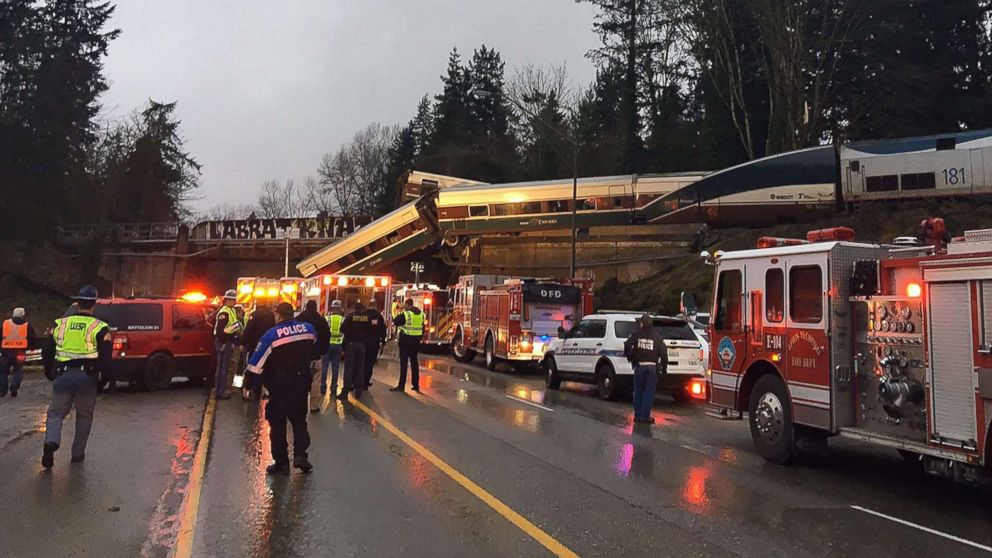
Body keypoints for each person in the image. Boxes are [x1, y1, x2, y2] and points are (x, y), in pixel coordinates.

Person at [40, 285, 112, 468]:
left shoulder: (59, 324)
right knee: (84, 416)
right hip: (87, 378)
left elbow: (46, 350)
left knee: (56, 413)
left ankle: (51, 442)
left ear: (77, 303)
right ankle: (77, 454)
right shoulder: (100, 327)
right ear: (93, 304)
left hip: (62, 375)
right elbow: (105, 356)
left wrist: (48, 371)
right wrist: (104, 379)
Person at [246, 302, 317, 475]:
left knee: (278, 426)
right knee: (299, 422)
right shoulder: (308, 329)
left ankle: (282, 463)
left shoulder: (271, 335)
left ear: (278, 315)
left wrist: (248, 384)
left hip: (279, 386)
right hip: (301, 383)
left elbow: (256, 364)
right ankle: (301, 455)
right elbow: (316, 345)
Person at [623, 314, 667, 424]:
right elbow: (663, 353)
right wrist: (664, 367)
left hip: (640, 366)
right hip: (652, 367)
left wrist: (630, 357)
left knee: (638, 391)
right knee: (649, 392)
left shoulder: (636, 335)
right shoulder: (657, 336)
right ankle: (645, 415)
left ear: (642, 323)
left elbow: (627, 345)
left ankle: (638, 415)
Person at [296, 300, 331, 412]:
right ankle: (313, 405)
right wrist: (322, 351)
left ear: (306, 307)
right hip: (316, 355)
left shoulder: (298, 320)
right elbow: (327, 336)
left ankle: (298, 405)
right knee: (316, 380)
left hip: (300, 355)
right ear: (316, 307)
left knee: (299, 379)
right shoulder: (321, 320)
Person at [240, 301, 275, 400]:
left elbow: (248, 329)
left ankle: (248, 387)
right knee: (267, 367)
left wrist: (243, 342)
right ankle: (262, 389)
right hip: (268, 346)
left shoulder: (254, 315)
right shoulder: (271, 315)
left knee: (253, 367)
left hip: (255, 345)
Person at [338, 301, 373, 400]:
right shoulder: (367, 317)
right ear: (362, 308)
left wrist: (350, 334)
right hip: (362, 345)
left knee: (349, 368)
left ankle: (345, 391)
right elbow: (371, 330)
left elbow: (342, 328)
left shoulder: (350, 317)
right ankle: (358, 391)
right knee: (360, 368)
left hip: (351, 344)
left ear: (354, 308)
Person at [1, 307, 38, 397]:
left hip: (6, 351)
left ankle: (2, 390)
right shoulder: (27, 325)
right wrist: (33, 347)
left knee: (3, 371)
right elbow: (32, 338)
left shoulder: (5, 323)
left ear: (13, 314)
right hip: (20, 351)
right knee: (18, 370)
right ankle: (15, 385)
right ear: (23, 315)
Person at [213, 289, 242, 399]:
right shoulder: (224, 312)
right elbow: (221, 330)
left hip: (227, 340)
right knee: (222, 367)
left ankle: (221, 390)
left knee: (225, 366)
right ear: (228, 300)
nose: (235, 302)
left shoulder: (231, 311)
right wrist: (224, 342)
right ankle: (220, 391)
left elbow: (231, 327)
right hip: (223, 341)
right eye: (233, 300)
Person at [390, 298, 424, 392]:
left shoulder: (406, 314)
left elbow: (396, 321)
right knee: (414, 363)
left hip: (406, 341)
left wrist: (399, 312)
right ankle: (416, 385)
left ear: (408, 305)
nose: (404, 307)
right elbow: (422, 328)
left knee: (404, 364)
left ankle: (401, 386)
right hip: (416, 342)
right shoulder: (421, 314)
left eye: (405, 305)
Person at [321, 300, 345, 398]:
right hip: (338, 346)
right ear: (339, 309)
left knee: (324, 368)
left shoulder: (327, 318)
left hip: (327, 346)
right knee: (335, 368)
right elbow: (345, 333)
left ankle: (322, 387)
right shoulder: (343, 320)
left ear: (332, 308)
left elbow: (323, 333)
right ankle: (334, 388)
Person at [362, 301, 387, 388]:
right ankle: (366, 382)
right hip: (374, 343)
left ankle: (358, 381)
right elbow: (383, 330)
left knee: (361, 362)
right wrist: (383, 341)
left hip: (362, 342)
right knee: (370, 363)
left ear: (368, 305)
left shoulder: (363, 314)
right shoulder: (378, 316)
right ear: (375, 306)